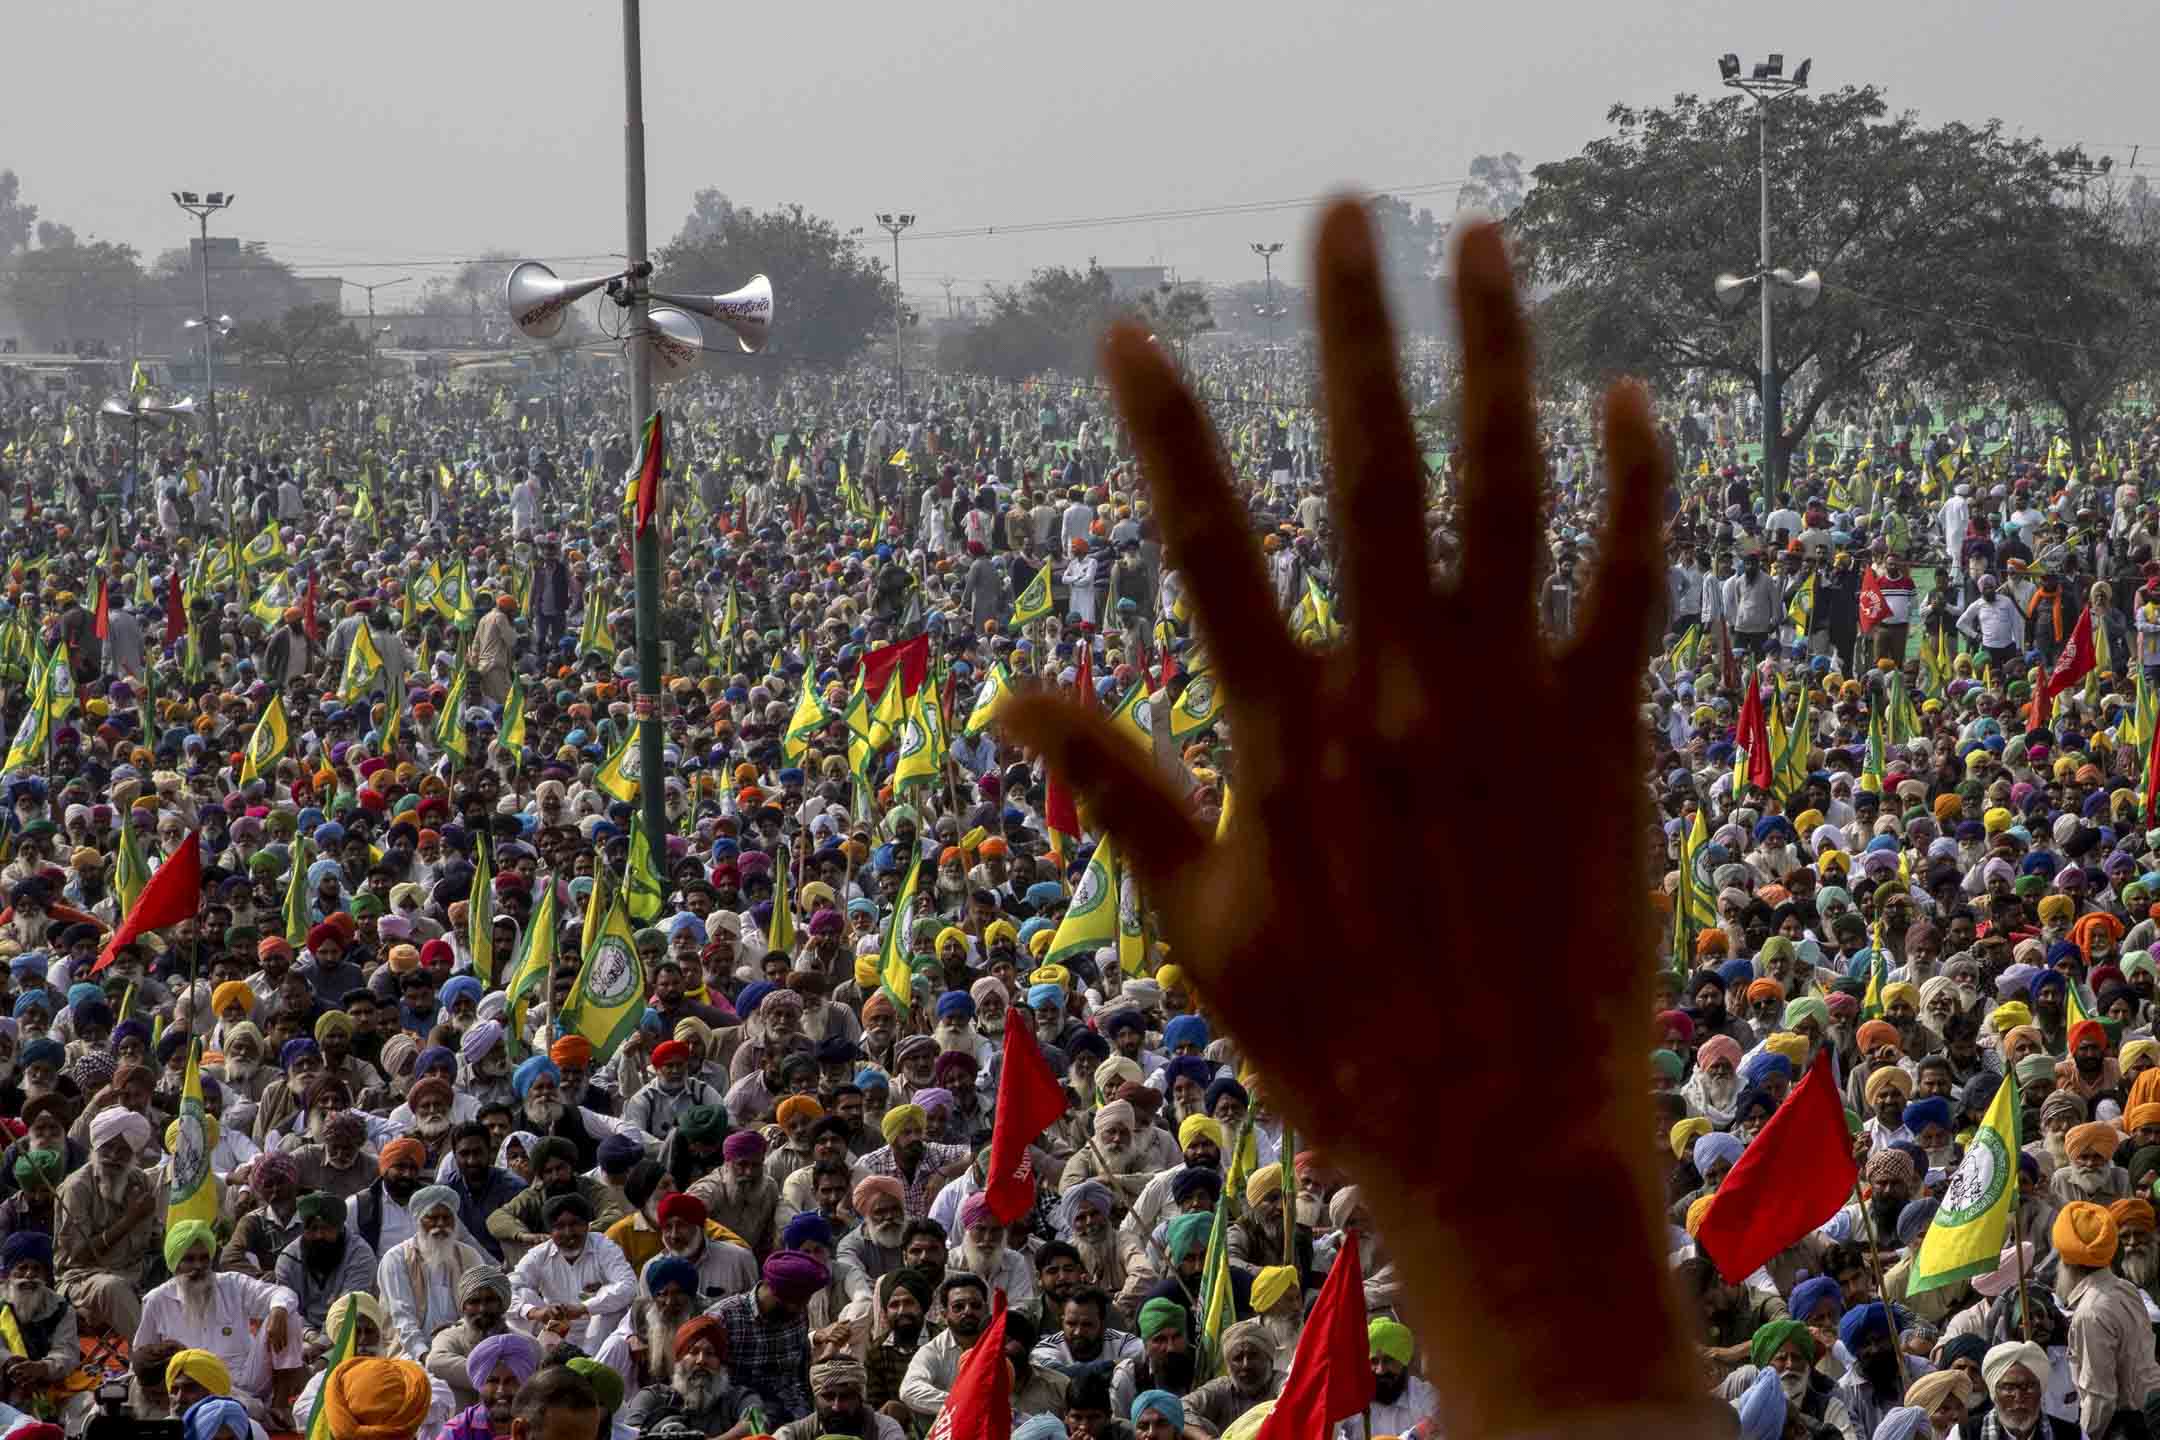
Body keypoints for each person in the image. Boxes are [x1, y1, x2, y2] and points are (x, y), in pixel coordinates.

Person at [134, 1220, 306, 1424]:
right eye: (189, 1259)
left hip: (247, 1378)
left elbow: (283, 1293)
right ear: (174, 1263)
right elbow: (142, 1353)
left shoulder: (232, 1283)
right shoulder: (157, 1300)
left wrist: (278, 1311)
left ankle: (279, 1404)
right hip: (195, 1388)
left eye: (204, 1258)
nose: (198, 1266)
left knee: (287, 1312)